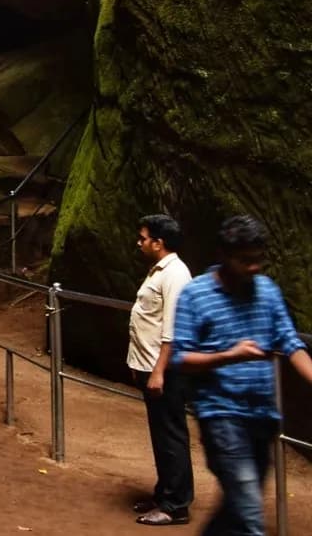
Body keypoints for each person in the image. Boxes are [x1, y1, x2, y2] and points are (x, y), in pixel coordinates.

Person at [172, 215, 312, 536]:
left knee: (235, 507)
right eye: (245, 261)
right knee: (249, 511)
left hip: (262, 415)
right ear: (223, 255)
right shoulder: (196, 295)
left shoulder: (267, 291)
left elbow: (290, 343)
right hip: (220, 415)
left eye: (258, 260)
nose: (254, 268)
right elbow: (180, 358)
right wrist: (228, 355)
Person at [127, 213, 194, 527]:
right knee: (161, 434)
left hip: (165, 370)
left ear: (159, 242)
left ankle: (176, 505)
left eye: (143, 238)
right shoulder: (159, 271)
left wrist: (158, 372)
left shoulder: (176, 275)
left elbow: (173, 331)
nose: (139, 242)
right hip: (151, 366)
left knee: (171, 435)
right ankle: (164, 493)